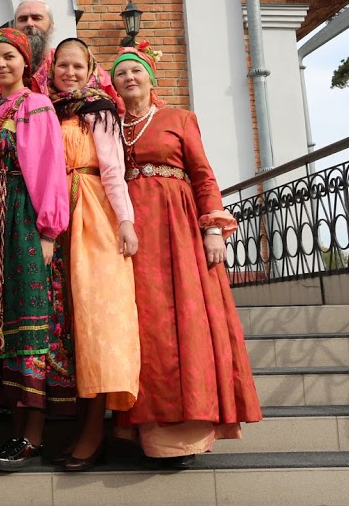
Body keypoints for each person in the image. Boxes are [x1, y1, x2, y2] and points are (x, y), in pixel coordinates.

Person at [109, 42, 261, 468]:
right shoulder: (113, 127)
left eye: (136, 71)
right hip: (134, 237)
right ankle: (149, 433)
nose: (129, 78)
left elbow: (203, 174)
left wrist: (213, 228)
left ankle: (189, 433)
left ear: (151, 78)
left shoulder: (178, 119)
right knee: (147, 328)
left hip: (179, 233)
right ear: (114, 84)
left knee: (186, 324)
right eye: (121, 74)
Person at [0, 29, 72, 472]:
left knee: (27, 319)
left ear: (26, 62)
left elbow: (47, 168)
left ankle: (33, 436)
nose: (1, 64)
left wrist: (49, 232)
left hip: (22, 220)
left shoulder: (35, 105)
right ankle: (12, 427)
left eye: (9, 57)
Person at [48, 38, 140, 472]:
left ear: (89, 69)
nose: (69, 72)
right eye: (62, 65)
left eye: (77, 65)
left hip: (92, 210)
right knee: (65, 321)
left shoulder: (98, 109)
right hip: (54, 212)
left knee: (95, 315)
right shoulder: (49, 108)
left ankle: (94, 427)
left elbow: (112, 168)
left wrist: (124, 221)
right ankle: (78, 421)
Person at [12, 0, 56, 94]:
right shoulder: (4, 66)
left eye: (36, 18)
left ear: (51, 26)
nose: (29, 23)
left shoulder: (63, 61)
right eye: (23, 19)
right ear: (14, 27)